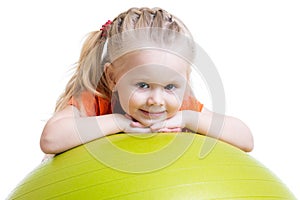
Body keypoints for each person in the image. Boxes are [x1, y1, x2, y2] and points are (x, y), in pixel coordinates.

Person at [40, 7, 253, 157]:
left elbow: (246, 140)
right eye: (143, 85)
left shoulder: (184, 109)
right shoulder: (96, 100)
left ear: (185, 80)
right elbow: (50, 139)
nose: (156, 100)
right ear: (112, 78)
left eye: (170, 86)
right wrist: (119, 123)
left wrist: (188, 119)